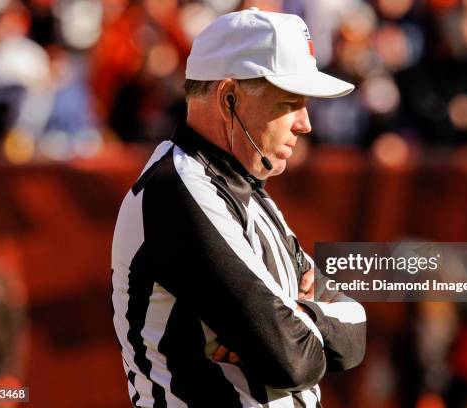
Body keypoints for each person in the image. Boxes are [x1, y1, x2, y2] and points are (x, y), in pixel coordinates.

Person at [111, 7, 367, 407]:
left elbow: (355, 331)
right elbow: (291, 360)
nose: (305, 123)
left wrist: (302, 317)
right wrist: (298, 324)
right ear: (229, 97)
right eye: (289, 102)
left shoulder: (249, 189)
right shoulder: (176, 190)